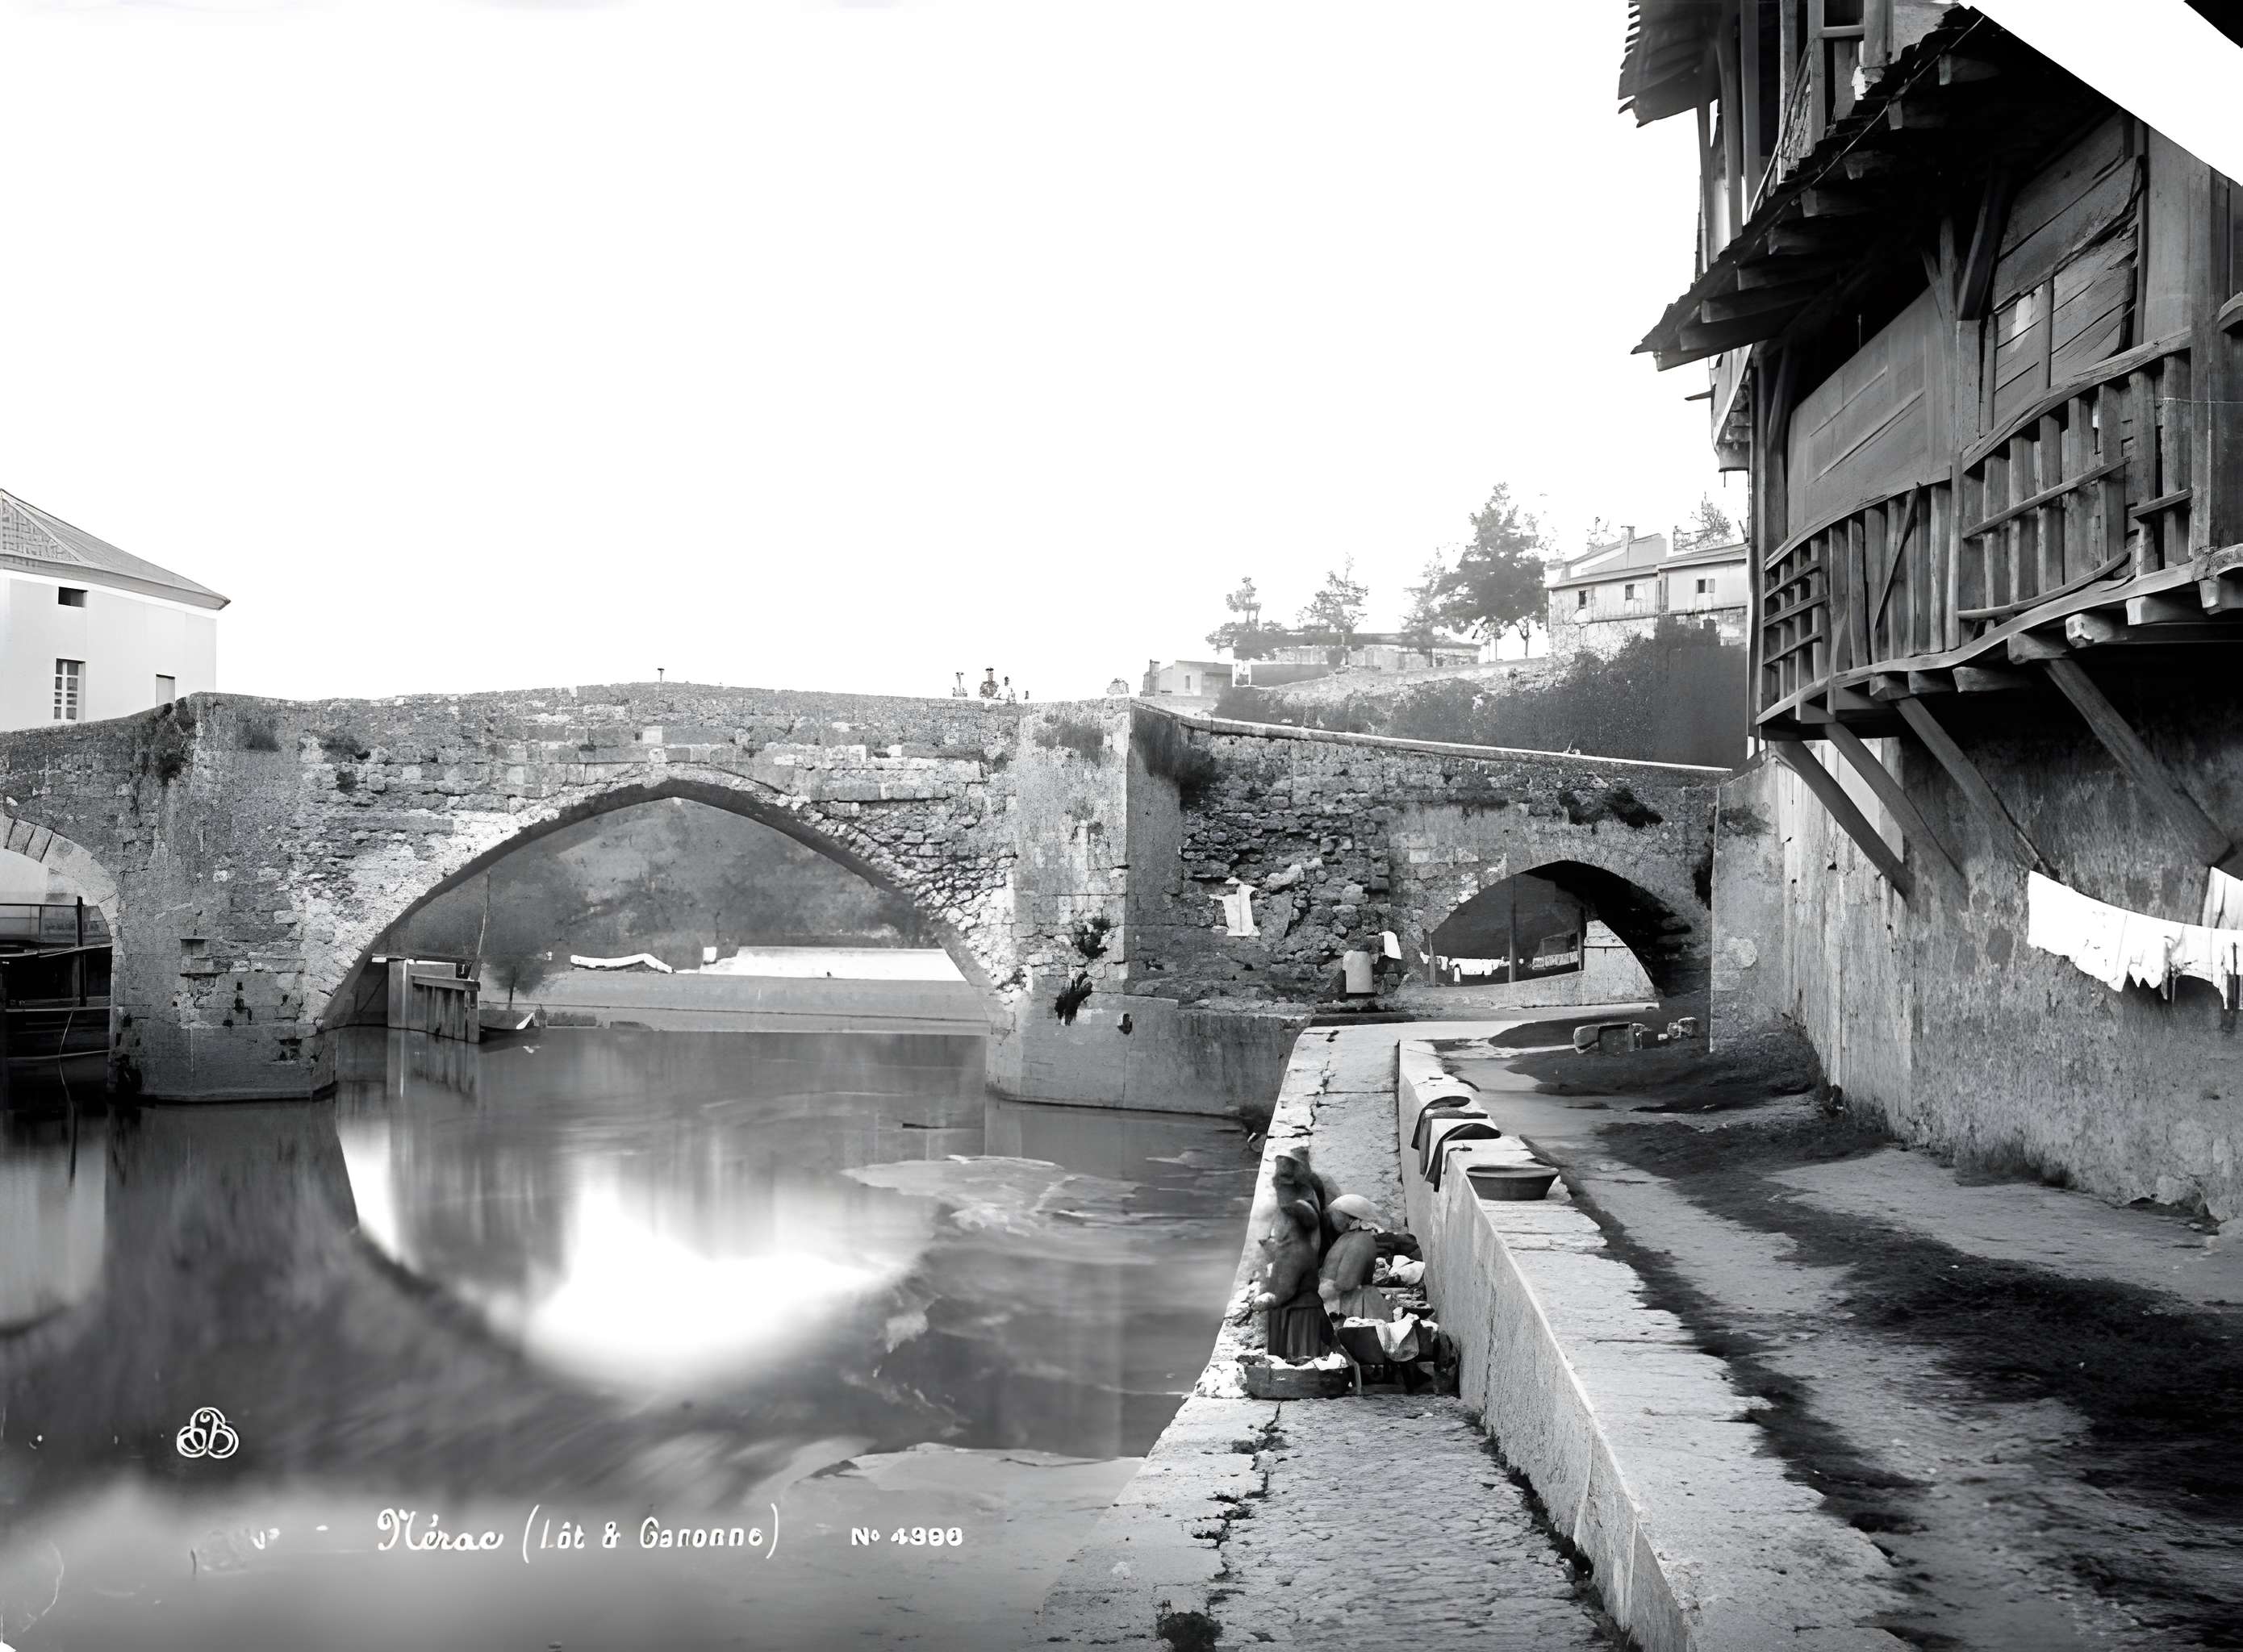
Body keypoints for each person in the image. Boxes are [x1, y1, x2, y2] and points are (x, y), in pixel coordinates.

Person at [1318, 1195, 1390, 1323]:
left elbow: (1347, 1283)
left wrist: (1324, 1289)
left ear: (1352, 1219)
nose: (1332, 1218)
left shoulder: (1361, 1240)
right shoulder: (1346, 1238)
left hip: (1355, 1305)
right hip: (1341, 1302)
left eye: (1337, 1215)